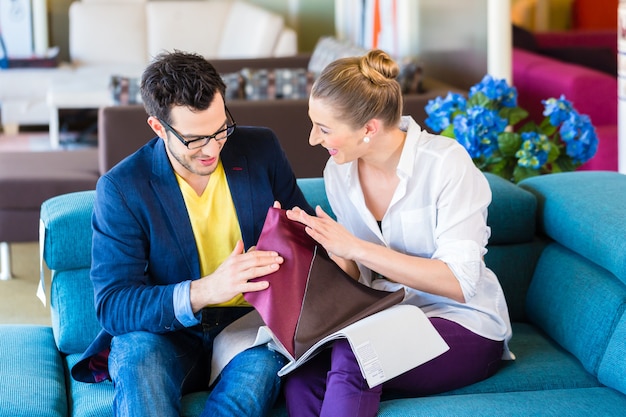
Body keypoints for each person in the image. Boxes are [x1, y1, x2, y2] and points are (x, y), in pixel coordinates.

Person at [69, 50, 313, 417]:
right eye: (196, 139)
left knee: (249, 389)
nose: (213, 148)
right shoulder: (123, 188)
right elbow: (113, 305)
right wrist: (207, 290)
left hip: (249, 327)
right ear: (158, 128)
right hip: (165, 335)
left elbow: (304, 237)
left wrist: (312, 239)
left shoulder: (260, 150)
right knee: (137, 355)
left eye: (220, 130)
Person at [283, 49, 513, 417]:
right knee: (303, 371)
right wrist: (331, 249)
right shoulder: (338, 173)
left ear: (369, 129)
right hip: (388, 315)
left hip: (463, 322)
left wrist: (356, 247)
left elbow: (460, 282)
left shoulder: (445, 165)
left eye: (324, 129)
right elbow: (363, 276)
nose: (312, 139)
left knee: (358, 354)